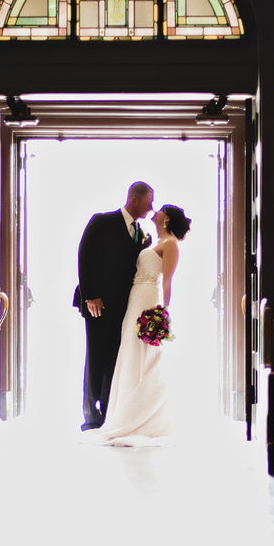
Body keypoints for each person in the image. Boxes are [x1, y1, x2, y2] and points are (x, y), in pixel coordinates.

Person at [90, 203, 192, 446]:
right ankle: (123, 409)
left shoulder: (170, 244)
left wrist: (162, 313)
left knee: (144, 353)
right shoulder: (152, 241)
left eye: (159, 210)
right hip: (135, 299)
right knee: (129, 350)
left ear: (166, 219)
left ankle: (142, 416)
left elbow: (167, 281)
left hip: (149, 300)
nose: (154, 212)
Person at [74, 181, 154, 431]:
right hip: (98, 304)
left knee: (114, 359)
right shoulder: (102, 222)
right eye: (148, 202)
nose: (151, 208)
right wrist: (91, 295)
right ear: (134, 200)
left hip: (124, 306)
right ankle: (90, 416)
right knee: (96, 356)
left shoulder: (141, 233)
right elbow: (84, 255)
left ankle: (108, 412)